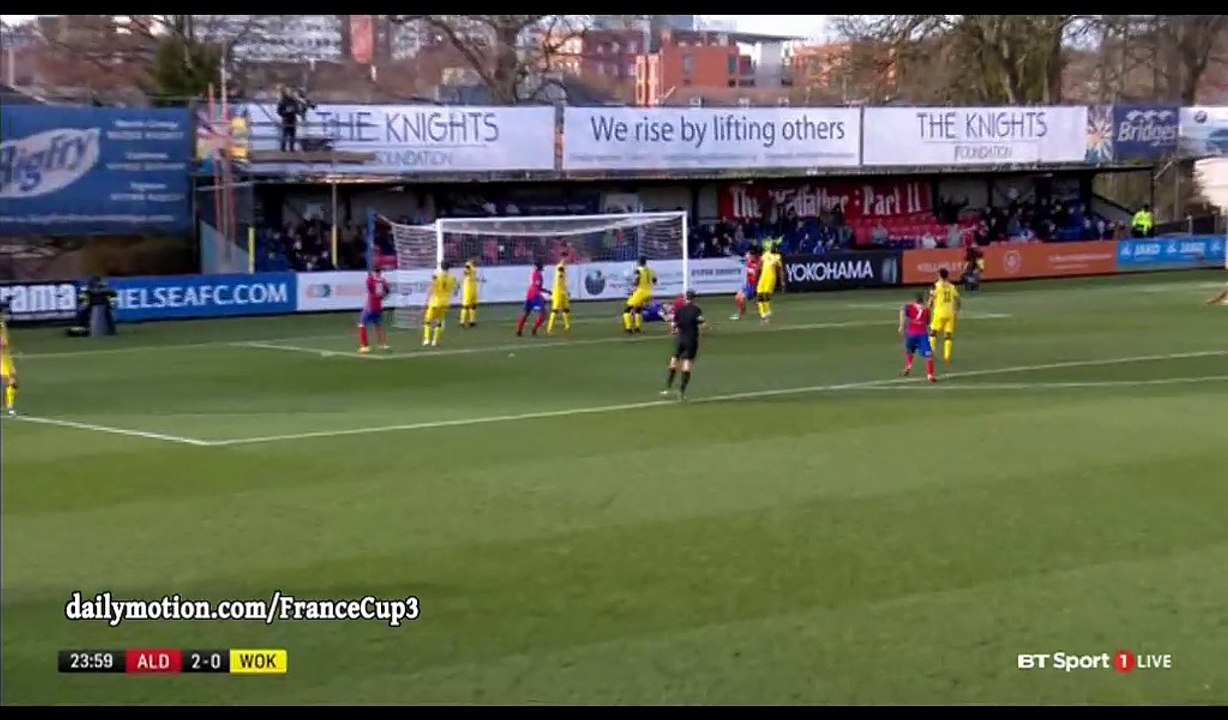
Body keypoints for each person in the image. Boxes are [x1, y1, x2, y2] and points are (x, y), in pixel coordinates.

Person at [661, 290, 706, 401]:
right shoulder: (696, 310)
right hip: (691, 340)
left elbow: (673, 325)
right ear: (694, 298)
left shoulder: (680, 310)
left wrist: (674, 331)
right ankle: (681, 392)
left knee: (673, 362)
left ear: (685, 298)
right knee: (686, 365)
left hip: (680, 339)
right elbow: (702, 324)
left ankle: (667, 388)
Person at [900, 292, 937, 383]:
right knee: (928, 355)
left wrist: (901, 325)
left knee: (910, 351)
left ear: (915, 300)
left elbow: (902, 310)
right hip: (922, 335)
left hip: (911, 334)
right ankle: (930, 375)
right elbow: (928, 322)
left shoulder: (909, 307)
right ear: (923, 300)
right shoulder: (926, 310)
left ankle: (908, 366)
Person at [929, 268, 961, 364]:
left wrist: (928, 306)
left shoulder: (936, 286)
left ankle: (931, 352)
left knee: (933, 332)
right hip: (950, 313)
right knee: (948, 335)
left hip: (939, 312)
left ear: (939, 275)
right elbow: (958, 299)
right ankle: (947, 356)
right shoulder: (952, 287)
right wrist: (957, 311)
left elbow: (931, 299)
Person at [422, 262, 457, 348]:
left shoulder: (436, 276)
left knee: (427, 320)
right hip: (445, 303)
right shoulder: (452, 278)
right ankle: (435, 341)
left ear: (441, 267)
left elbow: (432, 288)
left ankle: (427, 339)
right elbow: (456, 289)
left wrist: (426, 300)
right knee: (439, 322)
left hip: (435, 302)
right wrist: (453, 293)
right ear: (449, 268)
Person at [358, 268, 390, 353]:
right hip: (378, 306)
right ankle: (382, 344)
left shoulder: (371, 280)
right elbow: (387, 291)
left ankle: (364, 345)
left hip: (370, 306)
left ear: (374, 273)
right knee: (378, 325)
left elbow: (370, 290)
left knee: (362, 324)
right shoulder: (383, 281)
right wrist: (383, 295)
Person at [623, 256, 657, 334]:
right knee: (638, 309)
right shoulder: (651, 270)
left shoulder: (638, 271)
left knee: (627, 310)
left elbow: (636, 282)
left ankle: (628, 328)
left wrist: (632, 284)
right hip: (649, 292)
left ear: (638, 262)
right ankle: (637, 327)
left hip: (641, 292)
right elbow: (655, 281)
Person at [516, 261, 549, 337]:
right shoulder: (537, 275)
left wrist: (546, 291)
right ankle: (534, 329)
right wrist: (541, 297)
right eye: (541, 265)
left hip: (530, 294)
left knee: (526, 313)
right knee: (543, 312)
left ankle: (519, 330)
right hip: (535, 295)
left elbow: (537, 287)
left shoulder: (535, 274)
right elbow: (536, 288)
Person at [732, 245, 762, 320]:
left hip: (753, 286)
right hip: (748, 284)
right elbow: (743, 254)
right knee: (737, 297)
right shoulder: (749, 259)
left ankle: (741, 313)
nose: (750, 256)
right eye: (750, 255)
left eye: (752, 255)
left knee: (742, 298)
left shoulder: (759, 263)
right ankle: (742, 312)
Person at [756, 241, 783, 323]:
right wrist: (757, 272)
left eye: (773, 246)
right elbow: (760, 263)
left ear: (776, 248)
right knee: (759, 294)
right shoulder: (766, 254)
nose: (772, 248)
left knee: (766, 295)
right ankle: (763, 314)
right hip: (763, 277)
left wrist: (782, 280)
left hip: (771, 278)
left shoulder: (777, 257)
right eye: (771, 246)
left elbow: (780, 270)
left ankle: (767, 312)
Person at [547, 259, 572, 335]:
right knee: (555, 311)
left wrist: (566, 291)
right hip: (558, 292)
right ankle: (549, 329)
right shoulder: (560, 268)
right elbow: (560, 278)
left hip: (563, 292)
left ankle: (567, 326)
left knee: (566, 309)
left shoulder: (563, 268)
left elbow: (563, 282)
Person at [0, 303, 16, 415]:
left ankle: (9, 405)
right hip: (2, 356)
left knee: (11, 380)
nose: (6, 313)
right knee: (11, 379)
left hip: (6, 355)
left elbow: (5, 340)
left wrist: (10, 348)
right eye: (4, 311)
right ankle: (10, 406)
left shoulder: (2, 323)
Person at [459, 260, 479, 328]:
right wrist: (466, 270)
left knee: (473, 305)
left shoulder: (473, 267)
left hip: (474, 288)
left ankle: (472, 321)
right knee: (466, 305)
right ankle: (462, 321)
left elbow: (472, 275)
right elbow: (466, 271)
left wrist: (477, 279)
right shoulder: (468, 265)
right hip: (468, 288)